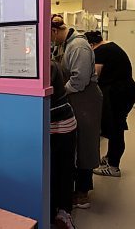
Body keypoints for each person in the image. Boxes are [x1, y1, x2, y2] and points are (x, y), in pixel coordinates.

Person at [50, 14, 102, 209]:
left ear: (55, 31)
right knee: (76, 144)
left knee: (85, 143)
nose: (50, 41)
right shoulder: (66, 44)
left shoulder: (78, 46)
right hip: (74, 97)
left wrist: (59, 90)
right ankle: (74, 188)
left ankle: (83, 193)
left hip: (85, 98)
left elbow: (79, 81)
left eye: (49, 36)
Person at [84, 31, 135, 177]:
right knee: (116, 126)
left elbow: (95, 76)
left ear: (90, 45)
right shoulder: (110, 46)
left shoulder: (100, 51)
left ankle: (113, 167)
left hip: (118, 94)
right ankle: (109, 158)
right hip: (126, 91)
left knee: (116, 129)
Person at [50, 60, 77, 229]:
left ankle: (60, 213)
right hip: (59, 122)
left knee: (59, 171)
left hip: (60, 125)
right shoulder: (52, 64)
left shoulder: (49, 67)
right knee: (60, 171)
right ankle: (60, 212)